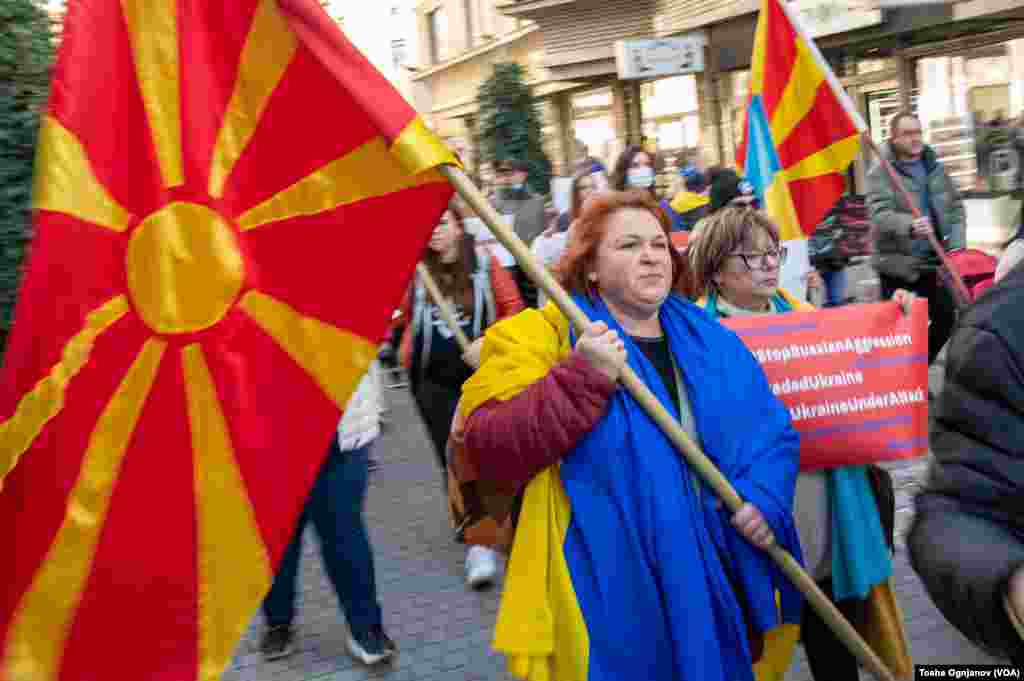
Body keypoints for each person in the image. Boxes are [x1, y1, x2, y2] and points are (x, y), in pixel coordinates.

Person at [459, 190, 805, 681]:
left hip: (713, 579)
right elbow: (489, 447)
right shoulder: (546, 337)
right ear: (591, 267)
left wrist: (763, 498)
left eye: (659, 245)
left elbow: (772, 434)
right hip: (610, 590)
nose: (650, 255)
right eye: (628, 245)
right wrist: (581, 378)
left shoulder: (712, 338)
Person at [689, 207, 914, 681]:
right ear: (715, 271)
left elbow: (863, 380)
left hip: (821, 505)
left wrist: (900, 320)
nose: (769, 264)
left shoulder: (810, 321)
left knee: (832, 637)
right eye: (751, 257)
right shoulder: (696, 340)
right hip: (743, 517)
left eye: (773, 253)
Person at [907, 247, 1024, 667]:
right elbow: (958, 512)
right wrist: (1009, 577)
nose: (767, 265)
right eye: (751, 258)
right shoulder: (1003, 331)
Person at [397, 203, 524, 588]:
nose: (435, 232)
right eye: (429, 227)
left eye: (442, 224)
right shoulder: (416, 272)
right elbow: (400, 318)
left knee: (490, 450)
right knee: (454, 458)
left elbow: (515, 308)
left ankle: (508, 522)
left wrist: (489, 340)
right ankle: (479, 543)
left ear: (458, 227)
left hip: (482, 376)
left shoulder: (485, 264)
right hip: (433, 382)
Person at [260, 363, 397, 665]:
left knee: (345, 534)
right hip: (271, 430)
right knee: (279, 537)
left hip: (342, 428)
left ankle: (366, 629)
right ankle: (278, 620)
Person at [866, 111, 965, 364]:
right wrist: (909, 226)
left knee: (945, 318)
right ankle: (892, 381)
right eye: (908, 133)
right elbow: (879, 215)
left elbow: (955, 208)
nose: (915, 138)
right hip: (897, 266)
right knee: (898, 329)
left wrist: (957, 249)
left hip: (933, 263)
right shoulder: (881, 172)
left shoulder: (935, 168)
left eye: (918, 132)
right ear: (894, 138)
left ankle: (917, 372)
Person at [491, 158, 547, 307]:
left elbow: (543, 233)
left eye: (512, 173)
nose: (508, 177)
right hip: (508, 266)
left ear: (523, 174)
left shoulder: (537, 201)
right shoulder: (496, 202)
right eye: (504, 173)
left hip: (531, 264)